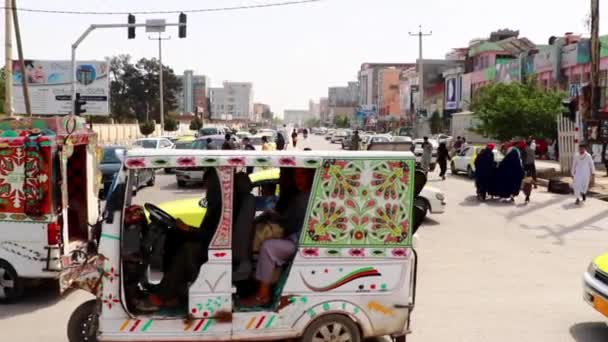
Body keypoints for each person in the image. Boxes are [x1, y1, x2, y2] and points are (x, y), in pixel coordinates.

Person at [140, 169, 222, 311]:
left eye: (208, 185)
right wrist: (185, 229)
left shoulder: (221, 207)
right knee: (174, 236)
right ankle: (170, 289)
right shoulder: (216, 205)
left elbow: (212, 235)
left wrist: (189, 229)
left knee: (187, 249)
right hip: (209, 244)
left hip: (215, 250)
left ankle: (163, 296)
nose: (207, 190)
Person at [241, 168, 315, 307]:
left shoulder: (307, 197)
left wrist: (276, 218)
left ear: (311, 176)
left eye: (302, 175)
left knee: (269, 247)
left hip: (303, 244)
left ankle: (263, 295)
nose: (298, 180)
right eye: (296, 176)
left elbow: (290, 223)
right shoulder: (300, 196)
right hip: (297, 240)